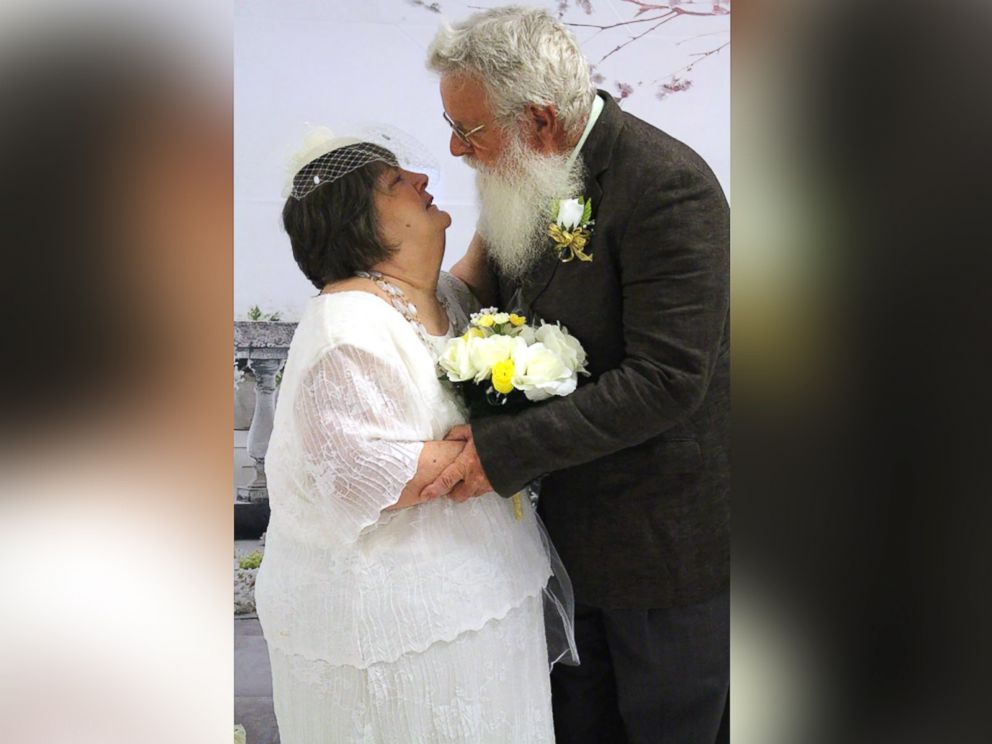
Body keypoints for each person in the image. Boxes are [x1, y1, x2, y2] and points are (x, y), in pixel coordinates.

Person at [423, 7, 730, 744]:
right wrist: (379, 298)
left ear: (539, 122)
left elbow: (667, 378)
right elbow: (480, 289)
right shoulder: (524, 174)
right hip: (561, 544)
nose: (456, 150)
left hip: (663, 549)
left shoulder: (668, 187)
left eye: (470, 132)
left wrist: (497, 452)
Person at [253, 134, 573, 743]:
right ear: (360, 223)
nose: (422, 181)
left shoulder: (439, 295)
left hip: (483, 598)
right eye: (396, 181)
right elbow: (362, 471)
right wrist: (529, 440)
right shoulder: (344, 324)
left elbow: (472, 265)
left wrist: (514, 170)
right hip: (396, 628)